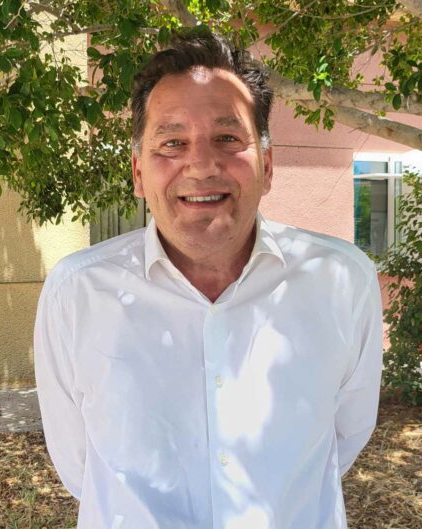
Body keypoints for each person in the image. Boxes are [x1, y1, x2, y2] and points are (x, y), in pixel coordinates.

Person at [34, 28, 383, 529]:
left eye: (227, 139)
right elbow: (79, 465)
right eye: (172, 143)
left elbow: (344, 436)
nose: (201, 166)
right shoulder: (77, 293)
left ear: (267, 165)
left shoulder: (342, 281)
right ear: (138, 173)